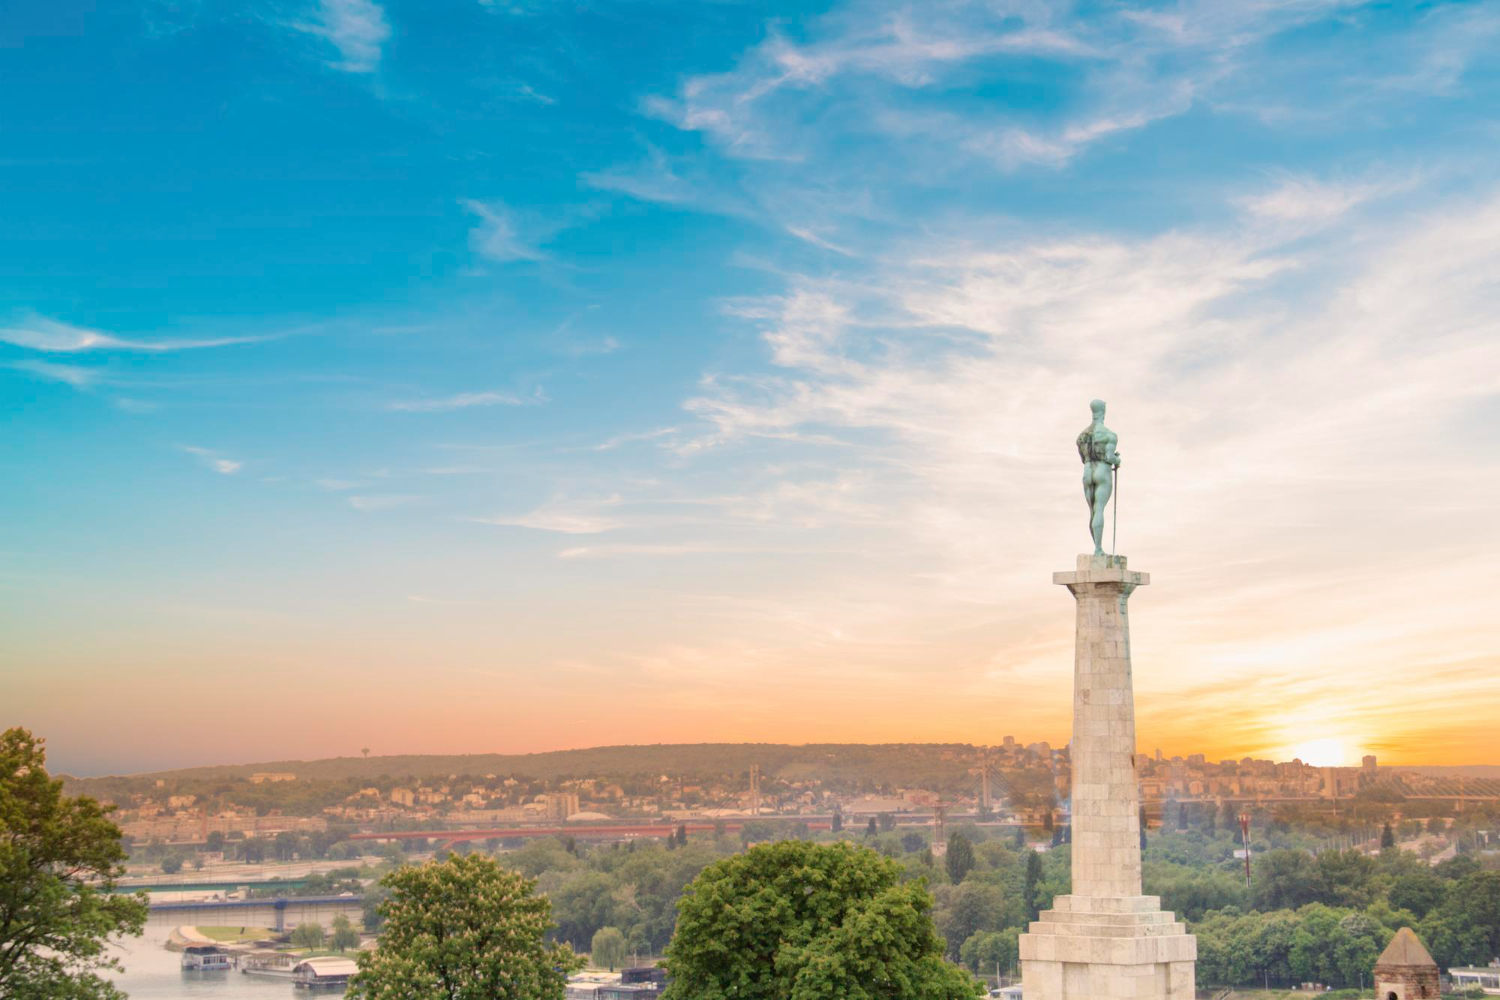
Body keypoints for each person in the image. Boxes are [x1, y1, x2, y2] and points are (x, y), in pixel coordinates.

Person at [1076, 399, 1121, 556]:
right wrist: (1117, 460)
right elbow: (1109, 456)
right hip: (1102, 471)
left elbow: (1083, 459)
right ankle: (1098, 549)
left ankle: (1097, 547)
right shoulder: (1109, 435)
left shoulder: (1081, 437)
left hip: (1088, 471)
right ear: (1104, 411)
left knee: (1092, 511)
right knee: (1099, 509)